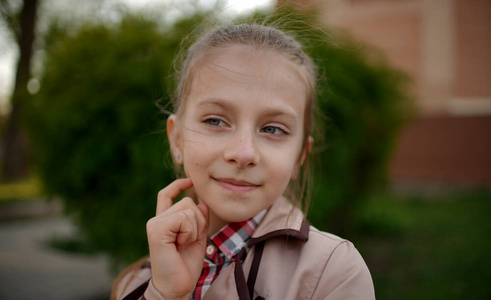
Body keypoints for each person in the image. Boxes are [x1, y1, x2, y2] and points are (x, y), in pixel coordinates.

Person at [111, 23, 375, 300]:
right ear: (177, 139)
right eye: (215, 121)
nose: (243, 153)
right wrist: (165, 295)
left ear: (299, 157)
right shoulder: (138, 284)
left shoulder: (333, 274)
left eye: (273, 129)